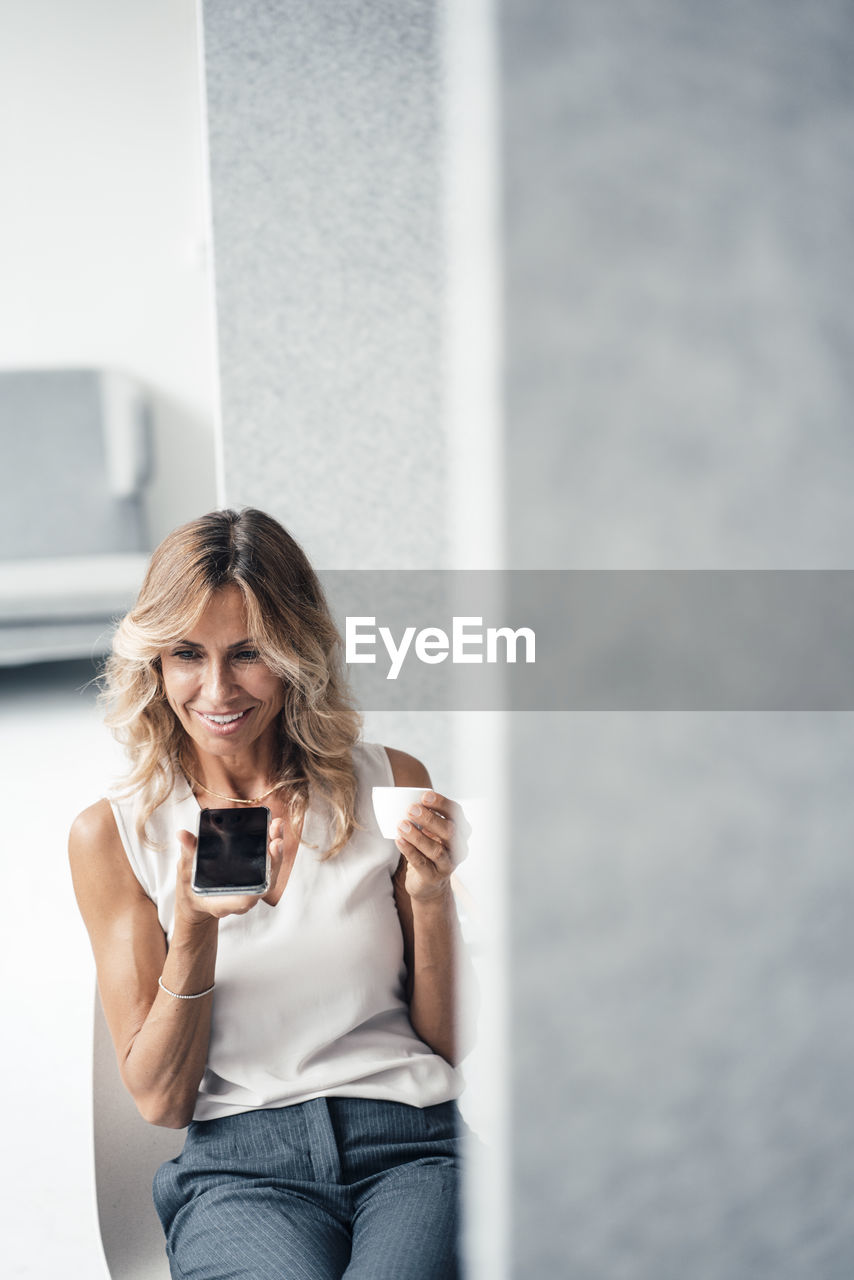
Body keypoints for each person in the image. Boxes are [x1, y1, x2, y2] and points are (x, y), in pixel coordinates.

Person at [69, 507, 472, 1280]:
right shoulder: (114, 836)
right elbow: (160, 1101)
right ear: (154, 660)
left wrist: (428, 894)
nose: (216, 689)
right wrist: (191, 929)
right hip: (241, 1173)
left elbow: (450, 1045)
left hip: (417, 1148)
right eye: (187, 653)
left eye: (248, 653)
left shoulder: (391, 784)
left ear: (295, 654)